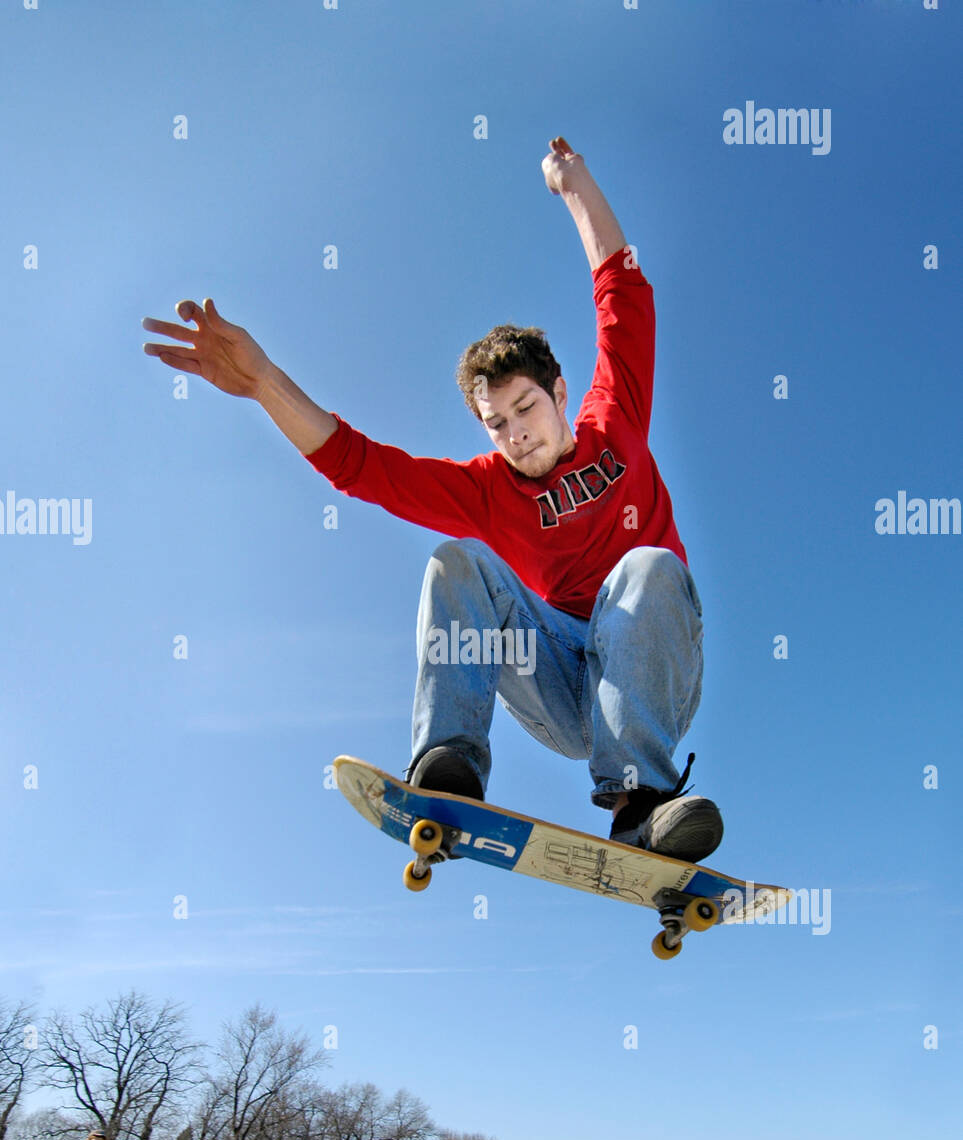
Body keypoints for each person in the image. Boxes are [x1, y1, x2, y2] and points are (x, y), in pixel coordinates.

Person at [143, 137, 723, 861]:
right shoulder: (485, 490)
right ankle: (448, 769)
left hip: (645, 674)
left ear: (560, 393)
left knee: (646, 567)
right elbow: (359, 466)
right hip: (559, 689)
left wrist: (574, 186)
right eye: (497, 423)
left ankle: (642, 804)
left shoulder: (618, 418)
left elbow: (622, 291)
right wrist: (264, 383)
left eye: (526, 408)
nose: (516, 434)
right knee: (455, 562)